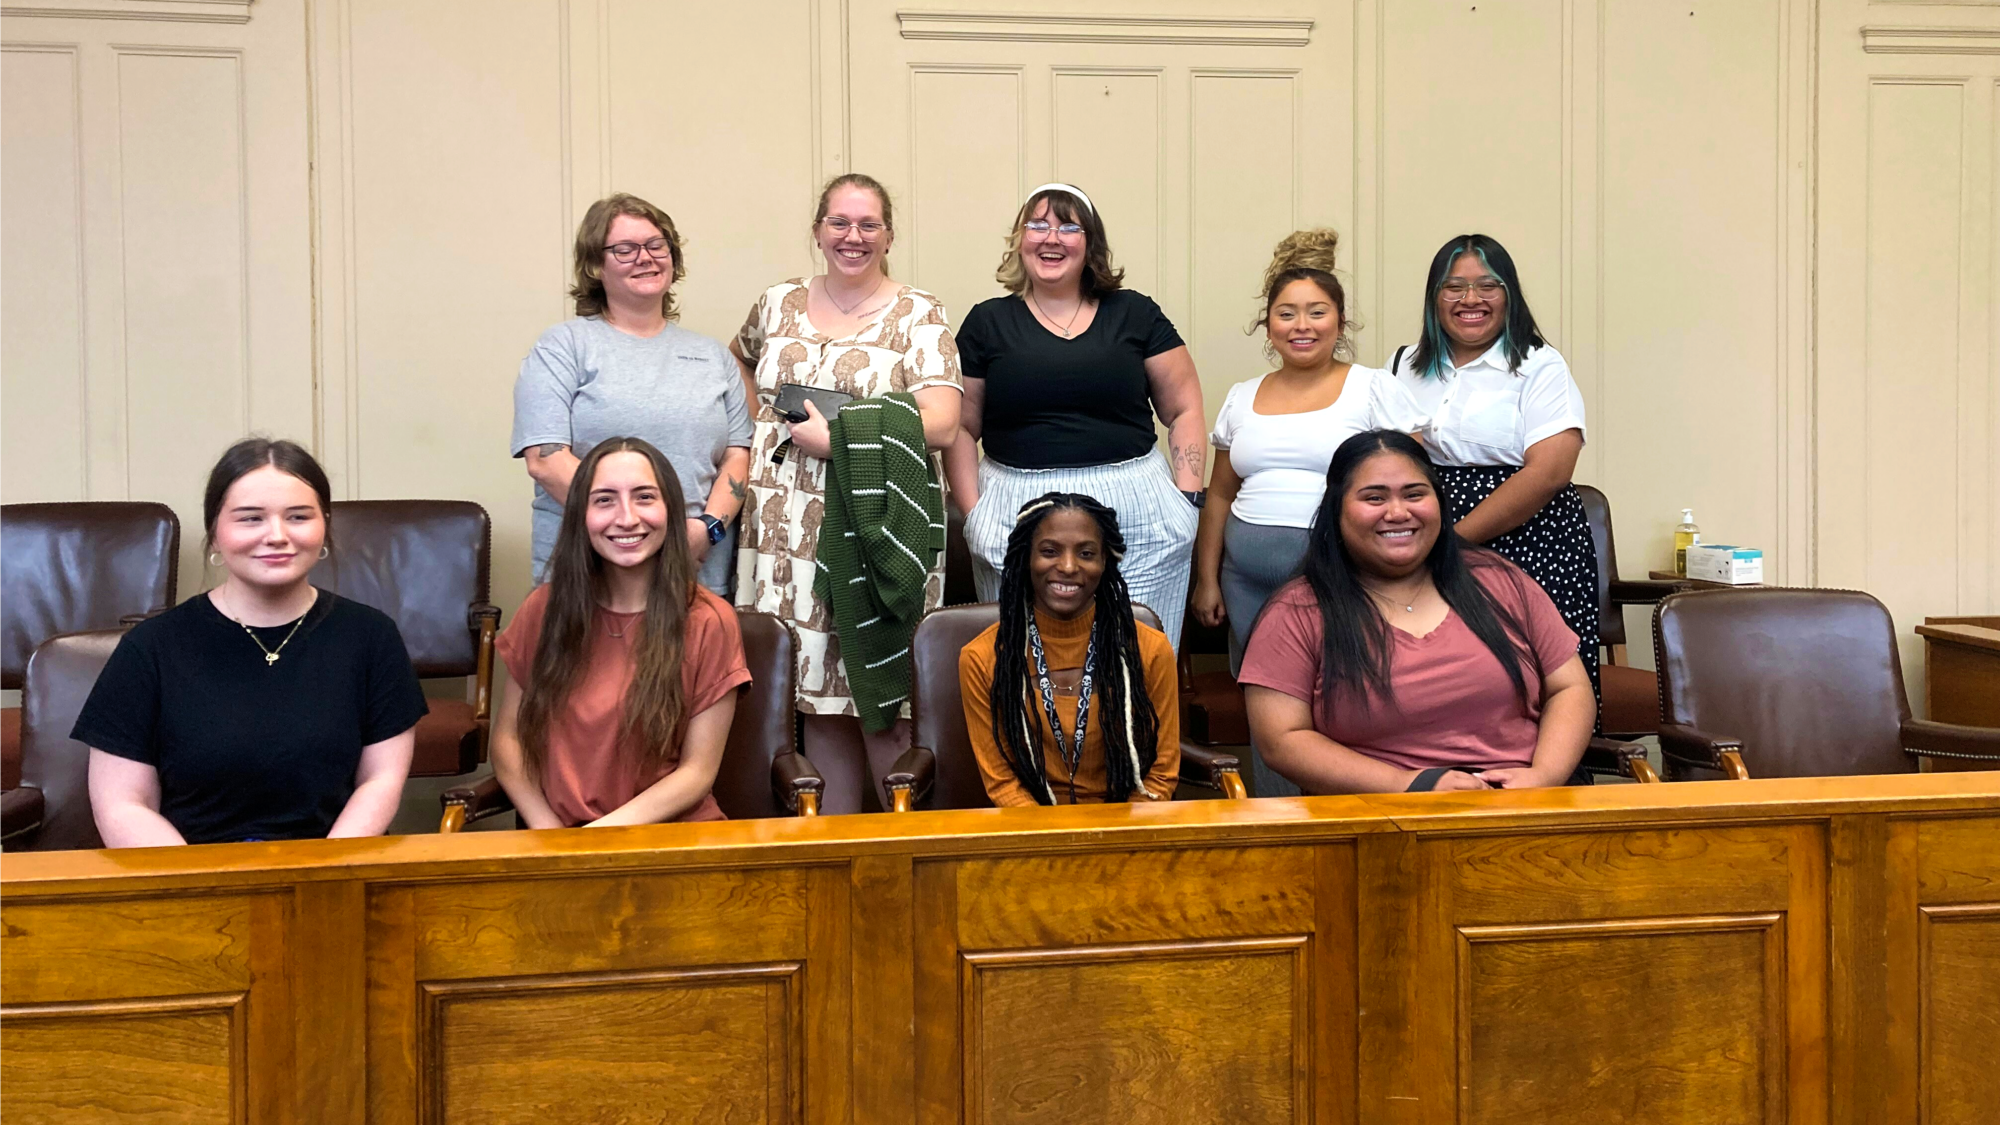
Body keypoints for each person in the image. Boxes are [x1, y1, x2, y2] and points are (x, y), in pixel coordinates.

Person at [730, 173, 963, 813]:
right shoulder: (776, 303)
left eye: (868, 225)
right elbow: (740, 363)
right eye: (839, 223)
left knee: (883, 699)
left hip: (874, 519)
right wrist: (761, 428)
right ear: (817, 231)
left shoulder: (920, 312)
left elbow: (941, 420)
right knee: (819, 699)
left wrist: (841, 441)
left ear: (889, 234)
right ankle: (839, 854)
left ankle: (907, 851)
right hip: (784, 525)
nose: (852, 237)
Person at [76, 439, 426, 846]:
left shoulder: (371, 636)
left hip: (331, 877)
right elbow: (122, 804)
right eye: (250, 519)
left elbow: (380, 781)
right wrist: (202, 889)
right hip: (189, 880)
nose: (277, 535)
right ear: (215, 530)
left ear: (325, 525)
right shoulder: (150, 647)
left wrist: (324, 877)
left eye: (298, 516)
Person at [1238, 431, 1594, 794]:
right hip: (1380, 820)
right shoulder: (1297, 611)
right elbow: (1281, 739)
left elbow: (1570, 687)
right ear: (1337, 509)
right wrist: (1409, 784)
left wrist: (1544, 776)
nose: (1397, 512)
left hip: (1520, 808)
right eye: (1374, 497)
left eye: (1414, 494)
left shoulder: (1500, 581)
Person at [945, 183, 1205, 649]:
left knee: (1134, 664)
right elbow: (962, 426)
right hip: (1016, 509)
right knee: (1023, 666)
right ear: (1019, 240)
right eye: (1037, 224)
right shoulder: (987, 323)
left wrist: (1187, 502)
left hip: (1137, 512)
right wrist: (974, 514)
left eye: (1069, 226)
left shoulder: (1135, 313)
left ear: (1091, 244)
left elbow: (1184, 406)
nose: (1051, 238)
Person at [1190, 229, 1398, 797]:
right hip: (1248, 581)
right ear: (1268, 324)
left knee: (1347, 699)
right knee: (1270, 710)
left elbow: (1406, 489)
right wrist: (1207, 580)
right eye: (1287, 313)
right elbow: (1220, 495)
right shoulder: (1242, 395)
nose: (1301, 325)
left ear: (1340, 319)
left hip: (1344, 579)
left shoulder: (1374, 388)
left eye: (1316, 312)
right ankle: (1278, 828)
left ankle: (1349, 822)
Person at [489, 438, 750, 828]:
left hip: (668, 846)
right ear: (581, 515)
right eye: (605, 500)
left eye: (644, 497)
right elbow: (508, 742)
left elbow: (696, 773)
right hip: (560, 843)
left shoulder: (710, 619)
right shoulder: (542, 610)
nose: (627, 518)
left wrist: (595, 842)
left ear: (670, 510)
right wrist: (550, 834)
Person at [1383, 234, 1598, 695]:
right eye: (1453, 287)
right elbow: (1385, 456)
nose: (1470, 300)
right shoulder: (1404, 365)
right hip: (1422, 532)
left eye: (1488, 285)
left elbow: (1550, 472)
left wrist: (1451, 542)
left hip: (1528, 539)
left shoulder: (1540, 365)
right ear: (1434, 297)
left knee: (1533, 679)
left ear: (1509, 295)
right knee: (1437, 676)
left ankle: (1547, 769)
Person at [513, 193, 753, 596]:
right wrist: (640, 530)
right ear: (595, 265)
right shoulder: (563, 348)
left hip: (694, 570)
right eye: (624, 249)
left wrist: (704, 530)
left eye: (656, 245)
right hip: (587, 573)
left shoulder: (712, 356)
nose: (645, 257)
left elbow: (737, 454)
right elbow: (545, 461)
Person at [960, 493, 1180, 805]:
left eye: (1086, 553)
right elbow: (1003, 785)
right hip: (1030, 833)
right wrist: (1057, 845)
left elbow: (1161, 775)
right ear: (1026, 558)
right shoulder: (983, 658)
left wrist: (1117, 840)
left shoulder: (1149, 650)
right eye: (1049, 551)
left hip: (1127, 829)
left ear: (1105, 562)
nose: (1067, 566)